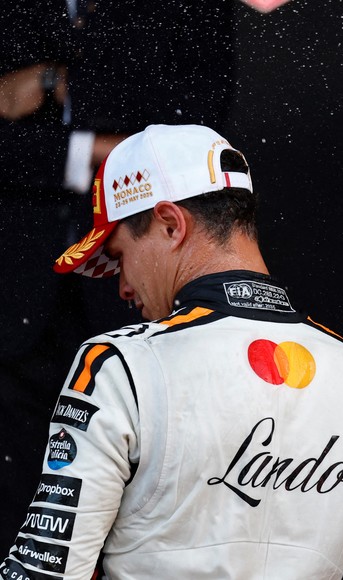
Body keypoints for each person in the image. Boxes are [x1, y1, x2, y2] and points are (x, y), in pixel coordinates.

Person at [2, 124, 343, 579]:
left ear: (171, 224)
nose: (122, 285)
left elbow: (44, 572)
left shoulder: (119, 365)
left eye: (120, 255)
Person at [0, 1, 237, 549]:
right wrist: (108, 143)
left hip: (136, 299)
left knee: (142, 513)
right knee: (16, 518)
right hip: (15, 300)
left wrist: (56, 83)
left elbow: (196, 134)